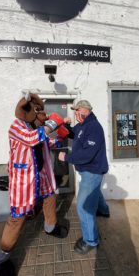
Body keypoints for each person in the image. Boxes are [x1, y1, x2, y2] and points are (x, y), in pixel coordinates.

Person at [0, 92, 68, 276]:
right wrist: (54, 123)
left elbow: (45, 141)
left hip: (42, 174)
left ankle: (50, 227)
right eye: (40, 113)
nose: (42, 117)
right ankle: (2, 258)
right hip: (23, 179)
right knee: (17, 219)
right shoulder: (16, 127)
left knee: (50, 199)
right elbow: (31, 139)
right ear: (30, 112)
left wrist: (61, 136)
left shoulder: (35, 127)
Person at [58, 99, 109, 255]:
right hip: (89, 171)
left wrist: (67, 158)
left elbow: (87, 154)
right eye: (74, 111)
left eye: (77, 110)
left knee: (84, 207)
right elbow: (75, 133)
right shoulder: (83, 125)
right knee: (96, 192)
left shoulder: (94, 127)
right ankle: (104, 211)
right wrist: (65, 125)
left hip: (92, 172)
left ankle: (91, 241)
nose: (75, 113)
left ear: (85, 110)